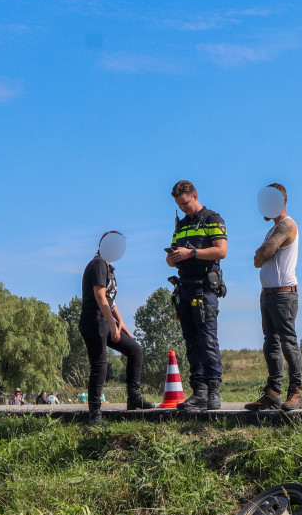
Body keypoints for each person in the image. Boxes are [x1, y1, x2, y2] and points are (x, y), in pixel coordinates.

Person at [79, 230, 156, 424]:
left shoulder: (109, 268)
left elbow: (111, 300)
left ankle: (133, 398)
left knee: (135, 351)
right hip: (93, 321)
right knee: (100, 366)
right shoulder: (97, 264)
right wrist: (112, 323)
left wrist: (120, 322)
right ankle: (95, 413)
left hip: (106, 320)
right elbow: (100, 296)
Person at [165, 180, 228, 410]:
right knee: (191, 342)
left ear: (195, 196)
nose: (184, 208)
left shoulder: (213, 219)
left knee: (208, 340)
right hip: (184, 288)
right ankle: (198, 390)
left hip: (205, 289)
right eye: (179, 205)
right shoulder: (180, 225)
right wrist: (172, 258)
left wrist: (191, 252)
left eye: (186, 203)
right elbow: (170, 259)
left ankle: (213, 391)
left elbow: (221, 250)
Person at [245, 183, 302, 411]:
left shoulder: (287, 226)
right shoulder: (273, 229)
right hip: (269, 293)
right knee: (271, 343)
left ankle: (296, 392)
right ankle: (273, 393)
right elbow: (257, 259)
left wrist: (260, 253)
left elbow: (264, 254)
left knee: (288, 343)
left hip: (283, 294)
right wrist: (260, 254)